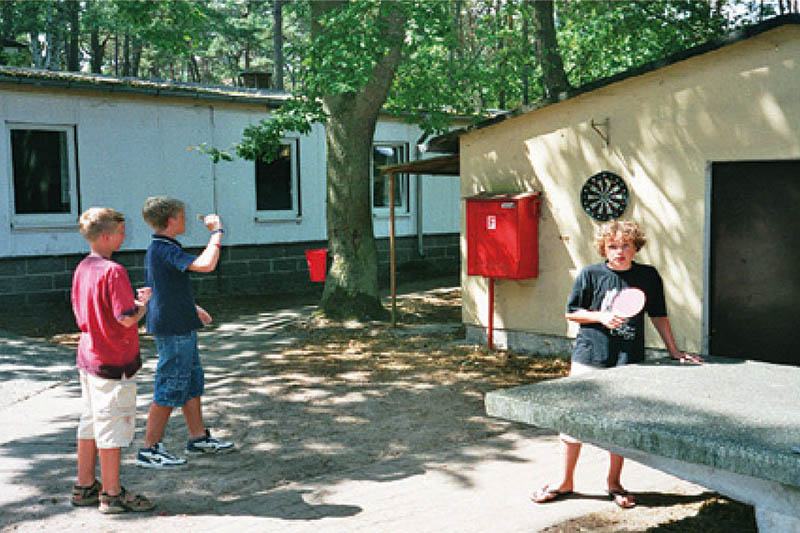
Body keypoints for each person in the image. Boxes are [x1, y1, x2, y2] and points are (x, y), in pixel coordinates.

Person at [532, 220, 703, 509]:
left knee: (619, 425)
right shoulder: (590, 274)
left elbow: (658, 315)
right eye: (612, 246)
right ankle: (564, 482)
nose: (619, 251)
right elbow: (572, 313)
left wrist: (674, 351)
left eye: (626, 245)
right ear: (604, 248)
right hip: (590, 357)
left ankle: (614, 483)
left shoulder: (647, 276)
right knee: (572, 420)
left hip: (627, 361)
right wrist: (600, 316)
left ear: (636, 247)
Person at [135, 196, 234, 469]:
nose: (186, 220)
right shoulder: (163, 248)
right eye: (182, 215)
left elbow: (164, 285)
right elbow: (206, 265)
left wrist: (192, 307)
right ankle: (149, 449)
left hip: (180, 322)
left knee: (190, 380)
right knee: (170, 385)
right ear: (170, 221)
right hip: (173, 328)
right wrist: (216, 233)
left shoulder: (162, 247)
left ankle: (197, 437)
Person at [71, 207, 156, 513]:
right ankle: (112, 493)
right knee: (113, 424)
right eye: (121, 232)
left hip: (90, 355)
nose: (124, 236)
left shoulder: (83, 267)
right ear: (106, 236)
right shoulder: (113, 271)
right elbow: (125, 319)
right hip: (114, 359)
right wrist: (142, 305)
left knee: (91, 421)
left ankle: (84, 486)